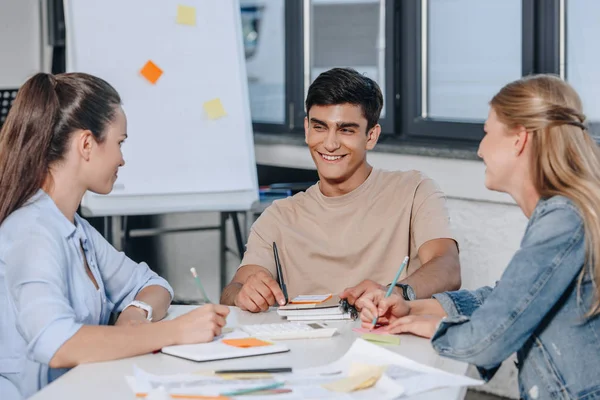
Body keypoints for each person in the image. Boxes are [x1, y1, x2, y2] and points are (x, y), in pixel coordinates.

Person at [357, 74, 600, 400]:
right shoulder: (560, 215)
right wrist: (414, 309)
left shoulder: (562, 220)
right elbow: (507, 300)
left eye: (486, 133)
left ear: (520, 139)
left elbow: (488, 339)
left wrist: (436, 329)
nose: (480, 149)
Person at [0, 73, 230, 399]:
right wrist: (175, 331)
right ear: (86, 144)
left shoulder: (75, 230)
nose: (122, 158)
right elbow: (58, 343)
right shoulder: (32, 233)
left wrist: (134, 315)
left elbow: (152, 284)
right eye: (119, 143)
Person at [221, 68, 460, 312]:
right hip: (307, 346)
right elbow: (234, 289)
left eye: (346, 130)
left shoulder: (414, 190)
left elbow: (448, 268)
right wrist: (243, 293)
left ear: (371, 136)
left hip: (388, 342)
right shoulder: (279, 216)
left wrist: (397, 291)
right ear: (307, 129)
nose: (331, 144)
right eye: (320, 127)